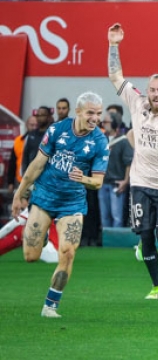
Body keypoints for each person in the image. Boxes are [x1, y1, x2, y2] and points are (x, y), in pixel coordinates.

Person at [10, 92, 108, 318]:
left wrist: (83, 179)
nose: (95, 118)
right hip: (44, 195)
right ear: (78, 111)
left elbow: (98, 182)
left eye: (99, 114)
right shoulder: (57, 130)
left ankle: (51, 305)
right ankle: (42, 235)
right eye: (90, 113)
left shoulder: (100, 141)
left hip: (72, 202)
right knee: (30, 256)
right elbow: (37, 164)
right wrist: (19, 193)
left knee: (68, 252)